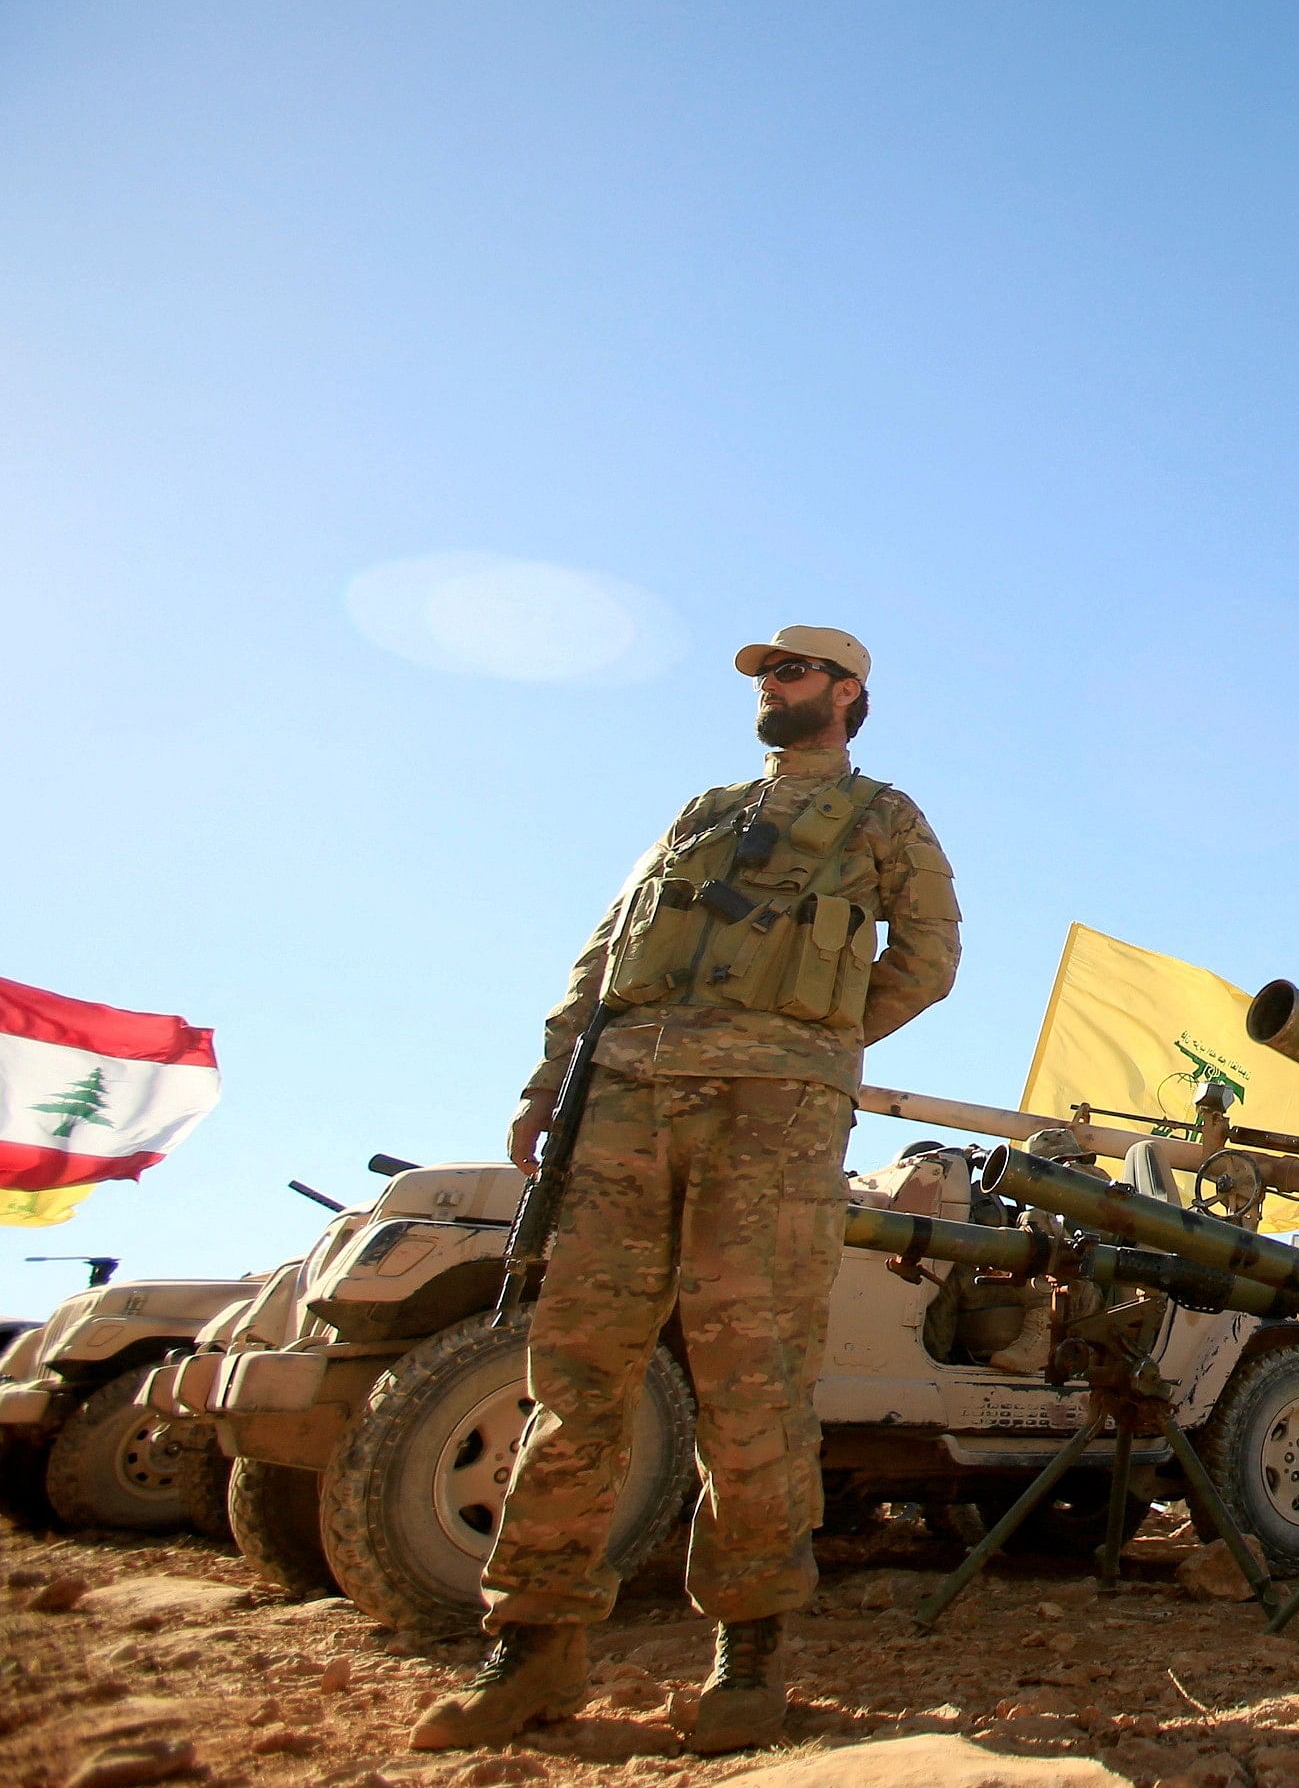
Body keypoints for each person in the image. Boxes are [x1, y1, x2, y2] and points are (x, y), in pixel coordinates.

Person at [415, 627, 961, 1754]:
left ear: (849, 693)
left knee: (750, 1384)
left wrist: (811, 1045)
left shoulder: (885, 820)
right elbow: (605, 951)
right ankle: (532, 1648)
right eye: (765, 674)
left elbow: (929, 960)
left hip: (772, 1119)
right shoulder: (702, 812)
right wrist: (547, 1081)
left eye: (793, 671)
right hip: (622, 1105)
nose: (771, 685)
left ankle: (749, 1655)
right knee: (575, 1375)